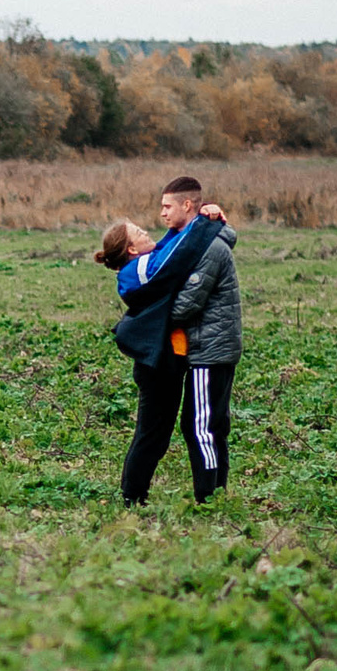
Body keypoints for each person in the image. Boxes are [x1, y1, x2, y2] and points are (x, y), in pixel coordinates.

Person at [94, 175, 241, 504]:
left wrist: (208, 221)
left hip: (175, 357)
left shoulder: (155, 255)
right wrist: (204, 224)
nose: (153, 226)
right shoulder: (140, 269)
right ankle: (133, 497)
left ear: (185, 206)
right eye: (140, 233)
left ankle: (209, 495)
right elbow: (178, 255)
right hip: (156, 362)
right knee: (154, 434)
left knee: (189, 430)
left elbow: (177, 246)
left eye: (166, 207)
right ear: (132, 248)